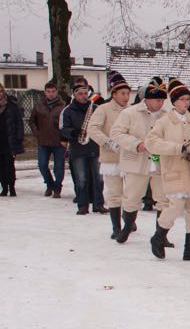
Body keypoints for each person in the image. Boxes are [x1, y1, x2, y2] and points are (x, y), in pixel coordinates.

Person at [144, 78, 190, 261]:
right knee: (175, 206)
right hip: (174, 170)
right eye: (182, 99)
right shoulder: (164, 122)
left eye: (188, 99)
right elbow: (151, 142)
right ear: (174, 101)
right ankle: (159, 236)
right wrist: (176, 148)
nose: (186, 103)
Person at [111, 77, 168, 243]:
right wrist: (136, 144)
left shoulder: (167, 115)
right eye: (157, 100)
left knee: (163, 199)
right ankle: (127, 226)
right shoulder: (130, 113)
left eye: (162, 100)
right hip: (137, 161)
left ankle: (161, 235)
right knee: (132, 197)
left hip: (160, 162)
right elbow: (116, 133)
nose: (160, 104)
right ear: (147, 99)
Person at [85, 71, 132, 238]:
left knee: (131, 193)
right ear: (114, 94)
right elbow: (92, 128)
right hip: (111, 158)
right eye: (122, 94)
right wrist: (107, 142)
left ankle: (129, 220)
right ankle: (116, 227)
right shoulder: (103, 109)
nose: (126, 97)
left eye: (128, 93)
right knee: (114, 193)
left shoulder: (131, 111)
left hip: (129, 157)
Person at [59, 82, 106, 215]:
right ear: (74, 95)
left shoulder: (95, 108)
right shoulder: (67, 110)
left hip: (95, 147)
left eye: (85, 93)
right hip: (78, 149)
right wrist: (73, 132)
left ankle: (98, 204)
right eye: (80, 94)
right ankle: (82, 206)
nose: (83, 96)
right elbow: (62, 128)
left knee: (99, 178)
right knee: (81, 179)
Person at [29, 81, 66, 198]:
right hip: (43, 141)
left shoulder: (63, 106)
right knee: (42, 164)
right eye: (48, 91)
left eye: (53, 91)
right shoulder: (39, 105)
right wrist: (37, 133)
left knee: (59, 166)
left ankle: (57, 188)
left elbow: (66, 122)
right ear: (45, 92)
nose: (51, 94)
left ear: (57, 92)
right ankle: (50, 184)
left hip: (58, 141)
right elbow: (32, 121)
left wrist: (64, 136)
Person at [0, 84, 24, 196]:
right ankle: (4, 188)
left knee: (9, 165)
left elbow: (19, 122)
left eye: (0, 91)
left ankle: (12, 187)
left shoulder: (12, 105)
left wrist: (19, 138)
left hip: (9, 140)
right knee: (1, 167)